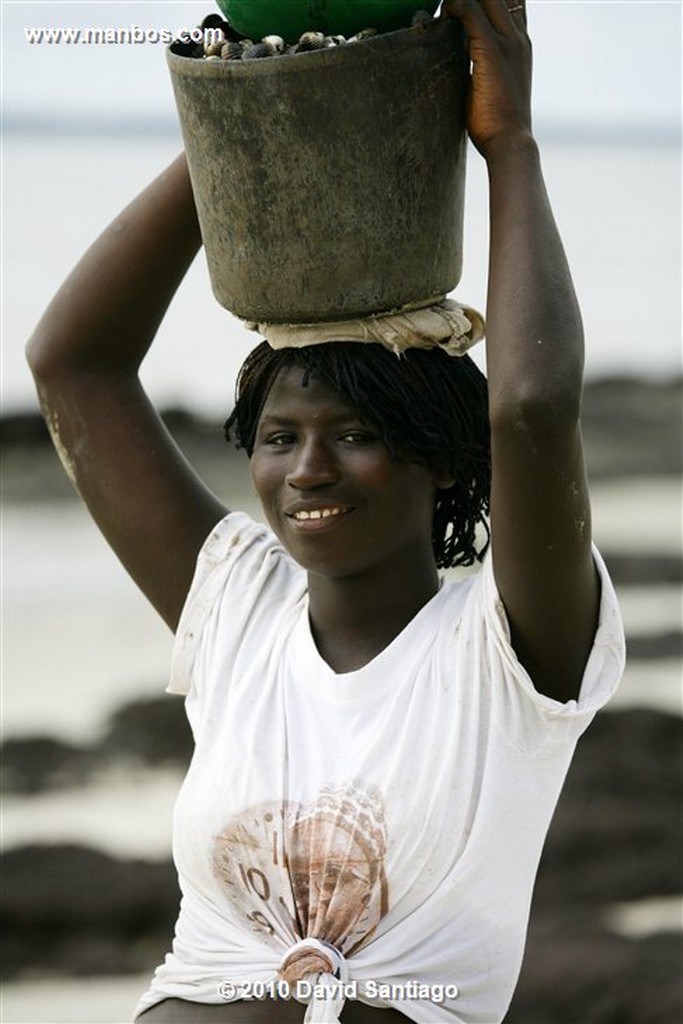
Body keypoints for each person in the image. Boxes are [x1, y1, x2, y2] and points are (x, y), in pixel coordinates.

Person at [26, 0, 625, 1021]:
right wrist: (240, 120)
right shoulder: (236, 612)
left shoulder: (507, 652)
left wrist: (507, 142)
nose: (305, 468)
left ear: (439, 460)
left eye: (350, 433)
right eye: (277, 437)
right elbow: (70, 365)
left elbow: (527, 403)